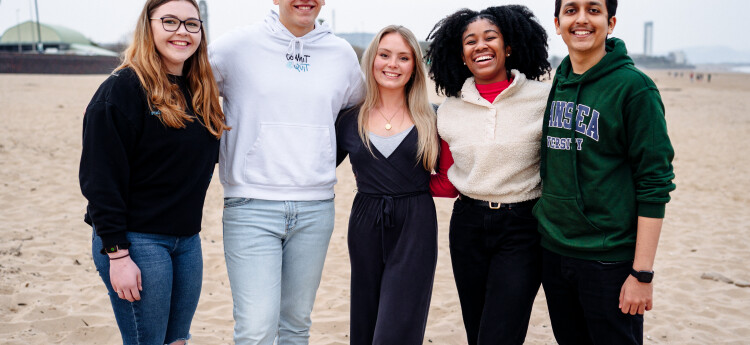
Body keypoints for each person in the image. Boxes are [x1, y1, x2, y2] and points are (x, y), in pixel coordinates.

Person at [208, 1, 365, 343]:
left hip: (316, 208)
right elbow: (181, 84)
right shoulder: (235, 47)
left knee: (296, 325)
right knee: (256, 329)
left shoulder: (341, 55)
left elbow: (358, 111)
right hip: (251, 205)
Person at [79, 0, 228, 344]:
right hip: (136, 240)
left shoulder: (198, 90)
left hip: (187, 241)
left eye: (192, 24)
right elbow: (99, 180)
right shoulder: (122, 89)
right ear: (148, 26)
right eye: (170, 21)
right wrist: (117, 255)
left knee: (177, 340)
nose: (182, 32)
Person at [533, 1, 676, 344]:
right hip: (554, 253)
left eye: (593, 10)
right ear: (557, 23)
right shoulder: (560, 82)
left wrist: (641, 274)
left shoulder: (635, 88)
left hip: (608, 260)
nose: (581, 19)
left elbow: (655, 182)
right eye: (571, 10)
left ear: (610, 22)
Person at [425, 5, 552, 345]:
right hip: (467, 226)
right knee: (476, 330)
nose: (480, 45)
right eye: (470, 41)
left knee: (500, 335)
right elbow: (449, 177)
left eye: (490, 37)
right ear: (461, 54)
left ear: (508, 47)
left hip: (523, 228)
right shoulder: (449, 110)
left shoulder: (543, 99)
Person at [335, 25, 439, 345]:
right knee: (365, 321)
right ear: (372, 60)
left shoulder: (432, 118)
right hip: (364, 222)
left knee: (396, 330)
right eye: (385, 55)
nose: (392, 64)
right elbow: (316, 168)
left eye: (403, 57)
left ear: (414, 67)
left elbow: (459, 170)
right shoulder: (349, 118)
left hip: (415, 224)